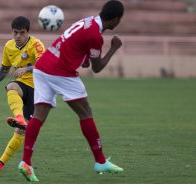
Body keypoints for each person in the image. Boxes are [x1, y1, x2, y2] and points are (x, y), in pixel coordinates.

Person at [11, 0, 125, 181]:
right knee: (86, 112)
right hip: (60, 71)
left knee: (39, 115)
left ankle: (26, 162)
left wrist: (85, 56)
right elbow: (97, 68)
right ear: (117, 19)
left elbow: (79, 46)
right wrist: (114, 48)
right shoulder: (96, 36)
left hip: (42, 67)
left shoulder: (88, 21)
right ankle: (100, 161)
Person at [0, 16, 45, 173]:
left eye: (21, 33)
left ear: (28, 32)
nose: (17, 36)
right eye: (15, 32)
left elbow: (44, 64)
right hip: (22, 86)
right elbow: (4, 69)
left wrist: (28, 69)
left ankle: (1, 162)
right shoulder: (9, 46)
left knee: (19, 133)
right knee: (12, 86)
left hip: (39, 90)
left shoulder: (36, 44)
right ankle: (20, 118)